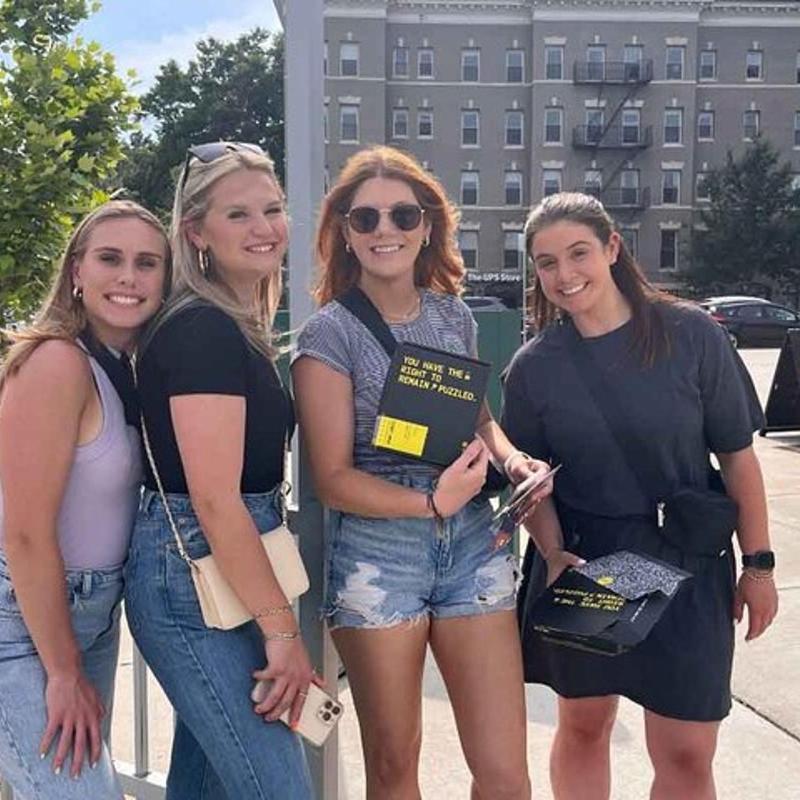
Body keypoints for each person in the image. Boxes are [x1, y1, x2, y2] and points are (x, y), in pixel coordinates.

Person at [292, 145, 551, 800]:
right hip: (380, 553)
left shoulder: (452, 316)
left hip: (471, 543)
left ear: (427, 226)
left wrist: (513, 460)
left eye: (403, 215)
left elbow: (480, 419)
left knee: (505, 773)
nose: (386, 230)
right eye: (366, 218)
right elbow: (332, 478)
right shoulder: (328, 334)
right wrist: (430, 503)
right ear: (345, 232)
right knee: (394, 767)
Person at [503, 192, 779, 800]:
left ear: (612, 248)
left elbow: (738, 457)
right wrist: (550, 551)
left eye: (578, 253)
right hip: (590, 562)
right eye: (547, 262)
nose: (565, 274)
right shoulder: (535, 367)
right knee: (584, 726)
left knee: (687, 752)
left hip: (687, 558)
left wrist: (758, 565)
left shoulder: (692, 335)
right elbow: (532, 483)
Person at [124, 142, 316, 799]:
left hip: (225, 568)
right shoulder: (201, 329)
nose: (264, 227)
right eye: (239, 215)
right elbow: (214, 500)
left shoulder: (232, 324)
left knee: (206, 786)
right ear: (196, 232)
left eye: (273, 209)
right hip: (192, 576)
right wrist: (283, 633)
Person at [0, 200, 169, 797]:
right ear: (77, 271)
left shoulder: (125, 369)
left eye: (147, 263)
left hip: (91, 614)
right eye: (110, 259)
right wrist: (63, 670)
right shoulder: (56, 362)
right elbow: (24, 532)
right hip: (23, 621)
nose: (129, 277)